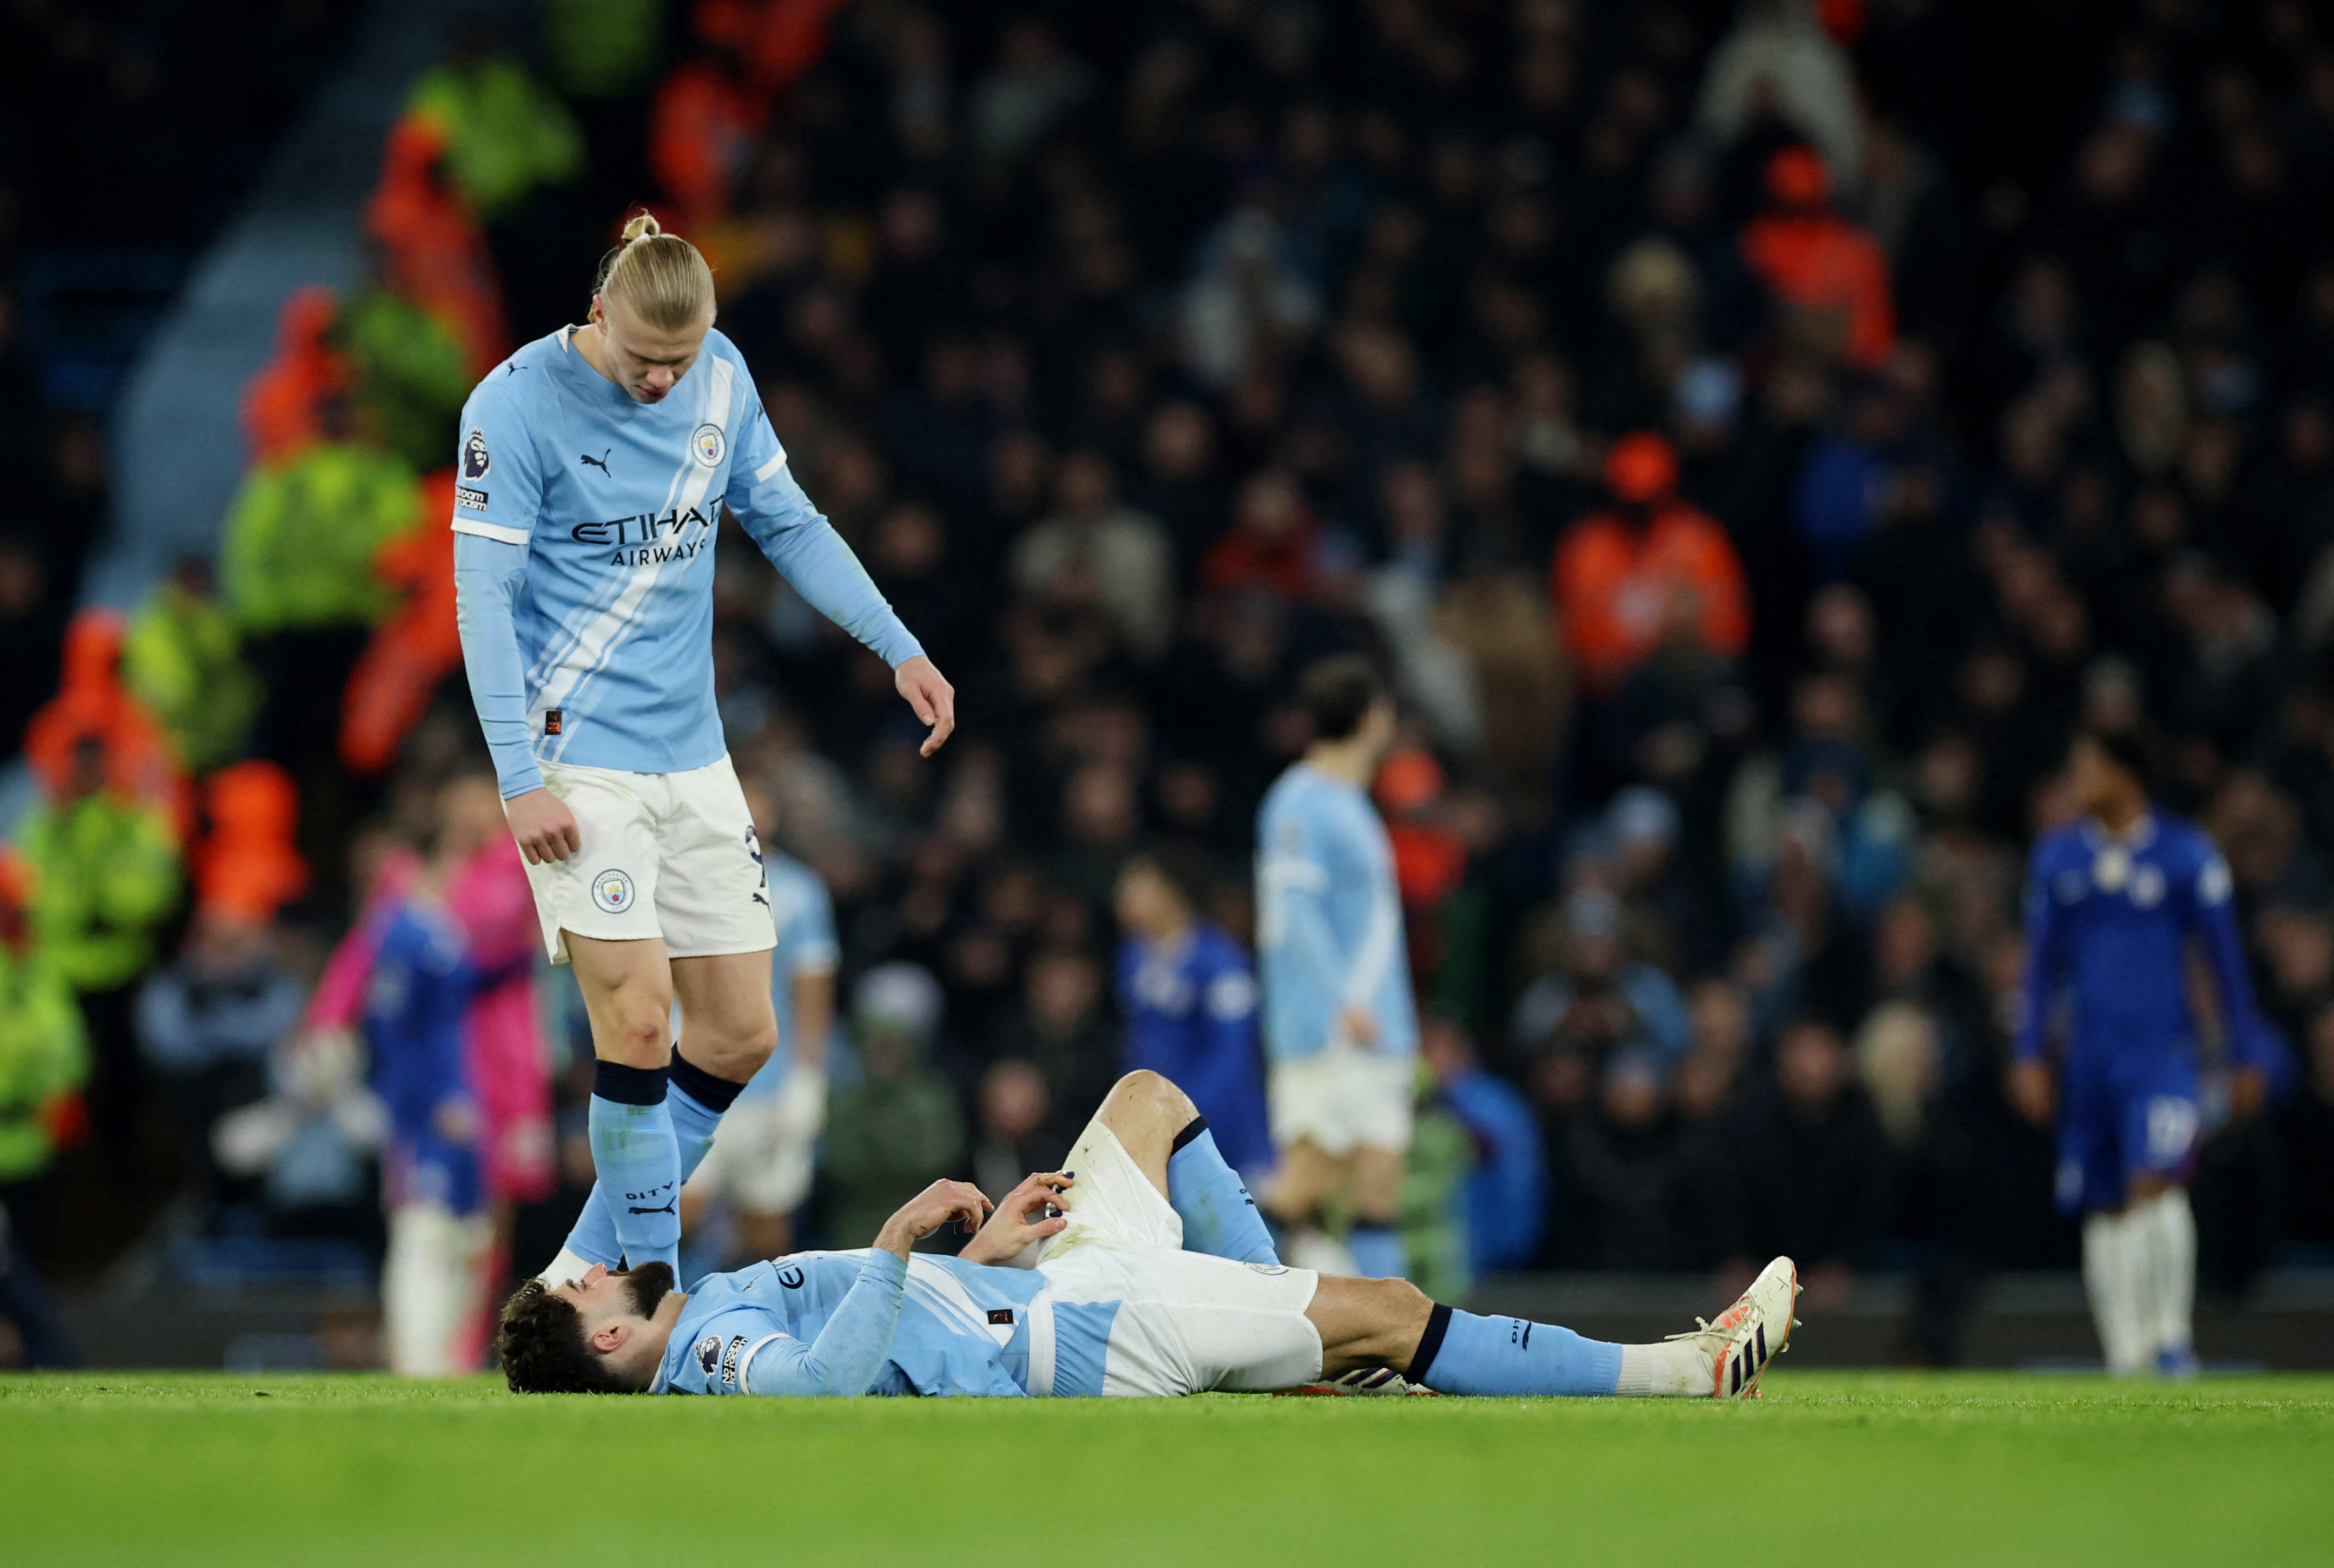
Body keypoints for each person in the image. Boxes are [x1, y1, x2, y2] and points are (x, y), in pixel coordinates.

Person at [451, 211, 956, 1287]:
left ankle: (579, 1274)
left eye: (680, 359)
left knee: (738, 1038)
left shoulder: (720, 378)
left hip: (694, 757)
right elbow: (482, 596)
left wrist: (898, 645)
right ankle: (650, 1294)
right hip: (575, 756)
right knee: (636, 1022)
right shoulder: (513, 405)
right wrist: (517, 776)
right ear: (600, 316)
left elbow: (792, 525)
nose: (662, 381)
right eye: (643, 360)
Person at [497, 1068, 1801, 1400]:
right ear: (611, 1335)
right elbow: (821, 1384)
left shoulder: (709, 1302)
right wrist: (899, 1242)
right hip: (1077, 1337)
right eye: (589, 1279)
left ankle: (1280, 1333)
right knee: (1391, 1308)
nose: (602, 1254)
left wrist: (968, 1254)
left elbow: (885, 1338)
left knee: (1144, 1104)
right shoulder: (710, 1356)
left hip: (1026, 1286)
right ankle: (1686, 1371)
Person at [2010, 728, 2276, 1377]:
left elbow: (2226, 960)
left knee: (2157, 1180)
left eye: (2088, 770)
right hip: (2089, 1058)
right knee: (2102, 1200)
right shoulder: (2059, 858)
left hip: (2163, 1052)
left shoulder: (2186, 854)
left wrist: (2248, 1053)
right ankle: (2125, 1352)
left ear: (2127, 775)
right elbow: (2040, 967)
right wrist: (2028, 1052)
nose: (2078, 784)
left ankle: (2171, 1338)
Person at [1254, 657, 1418, 1279]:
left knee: (1379, 1187)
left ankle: (1394, 1351)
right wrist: (1338, 1002)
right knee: (1306, 1179)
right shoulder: (1298, 802)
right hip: (1329, 1026)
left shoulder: (1351, 803)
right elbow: (1289, 912)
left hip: (1381, 1026)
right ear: (1374, 718)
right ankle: (1213, 1295)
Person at [681, 783, 837, 1265]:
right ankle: (659, 1335)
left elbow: (811, 988)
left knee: (766, 1232)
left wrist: (808, 1078)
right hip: (689, 1078)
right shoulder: (680, 882)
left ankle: (760, 1331)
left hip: (768, 1086)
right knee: (676, 1219)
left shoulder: (801, 891)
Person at [365, 814, 486, 1378]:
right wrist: (430, 1099)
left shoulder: (446, 927)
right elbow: (391, 1028)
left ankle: (446, 1358)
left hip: (461, 1097)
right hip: (427, 1109)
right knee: (423, 1230)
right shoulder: (403, 927)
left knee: (465, 1233)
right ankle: (415, 1363)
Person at [1113, 846, 1271, 1181]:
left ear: (1171, 893)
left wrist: (1185, 1116)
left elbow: (1233, 1054)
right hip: (1156, 1126)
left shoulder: (1222, 963)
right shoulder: (1132, 959)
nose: (1123, 896)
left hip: (1222, 1126)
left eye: (1137, 886)